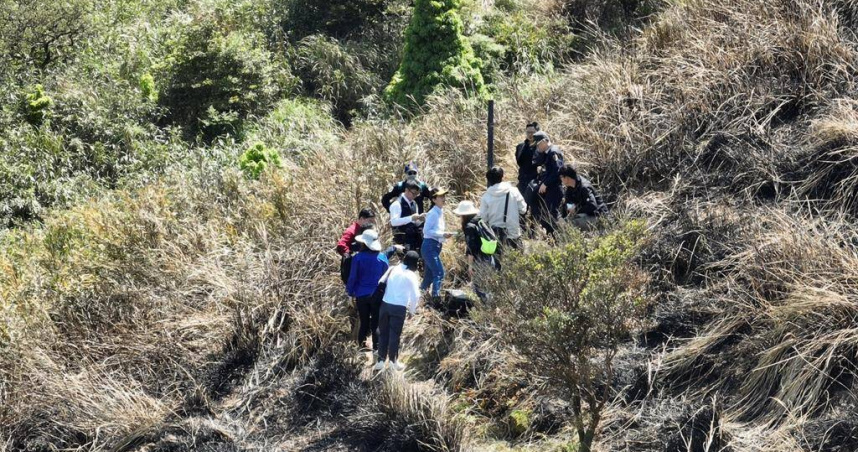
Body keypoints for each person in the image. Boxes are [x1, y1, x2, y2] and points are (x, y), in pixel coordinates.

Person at [375, 251, 422, 371]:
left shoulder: (393, 268)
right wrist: (412, 310)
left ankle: (380, 361)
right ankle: (393, 362)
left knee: (383, 333)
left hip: (385, 304)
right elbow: (416, 295)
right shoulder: (411, 275)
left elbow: (380, 281)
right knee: (394, 335)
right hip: (399, 308)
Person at [346, 229, 390, 353]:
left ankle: (362, 347)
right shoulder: (382, 258)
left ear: (364, 243)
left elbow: (352, 277)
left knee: (364, 321)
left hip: (361, 294)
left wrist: (350, 293)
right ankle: (377, 348)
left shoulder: (358, 258)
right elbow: (386, 278)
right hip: (377, 295)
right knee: (376, 322)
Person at [453, 200, 498, 301]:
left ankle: (486, 308)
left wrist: (470, 266)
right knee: (486, 286)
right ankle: (491, 305)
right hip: (489, 257)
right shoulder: (481, 221)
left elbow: (471, 249)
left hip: (480, 260)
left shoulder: (469, 227)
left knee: (479, 288)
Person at [479, 166, 527, 252]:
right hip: (513, 233)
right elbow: (523, 209)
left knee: (498, 258)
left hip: (496, 235)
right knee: (516, 257)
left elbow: (483, 218)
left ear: (488, 180)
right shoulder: (513, 191)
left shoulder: (486, 196)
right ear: (502, 177)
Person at [421, 188, 454, 299]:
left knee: (429, 275)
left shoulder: (439, 211)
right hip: (430, 246)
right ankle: (436, 298)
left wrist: (443, 234)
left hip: (434, 246)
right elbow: (426, 230)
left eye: (444, 196)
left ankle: (421, 296)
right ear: (434, 199)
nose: (443, 198)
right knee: (439, 273)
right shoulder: (433, 213)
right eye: (440, 197)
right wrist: (442, 234)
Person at [531, 131, 565, 235]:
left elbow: (557, 171)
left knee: (552, 213)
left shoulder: (553, 152)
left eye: (539, 144)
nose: (538, 147)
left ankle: (562, 234)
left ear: (545, 141)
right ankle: (552, 236)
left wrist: (545, 183)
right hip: (549, 188)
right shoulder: (546, 153)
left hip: (554, 187)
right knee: (547, 212)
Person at [559, 164, 608, 231]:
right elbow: (568, 203)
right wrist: (563, 217)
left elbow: (592, 206)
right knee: (564, 223)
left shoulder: (584, 187)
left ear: (567, 178)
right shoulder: (569, 189)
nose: (560, 179)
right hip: (585, 215)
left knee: (572, 224)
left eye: (561, 177)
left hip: (599, 216)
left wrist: (576, 210)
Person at [337, 208, 376, 284]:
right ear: (361, 219)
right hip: (351, 266)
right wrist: (351, 257)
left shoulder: (365, 230)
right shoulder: (351, 231)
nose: (372, 223)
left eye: (373, 221)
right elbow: (341, 245)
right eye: (370, 221)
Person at [389, 180, 426, 252]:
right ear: (406, 190)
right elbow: (393, 222)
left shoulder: (414, 203)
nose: (415, 196)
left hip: (414, 239)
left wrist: (421, 219)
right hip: (402, 241)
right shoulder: (397, 204)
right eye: (414, 193)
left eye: (417, 194)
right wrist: (411, 218)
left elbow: (414, 222)